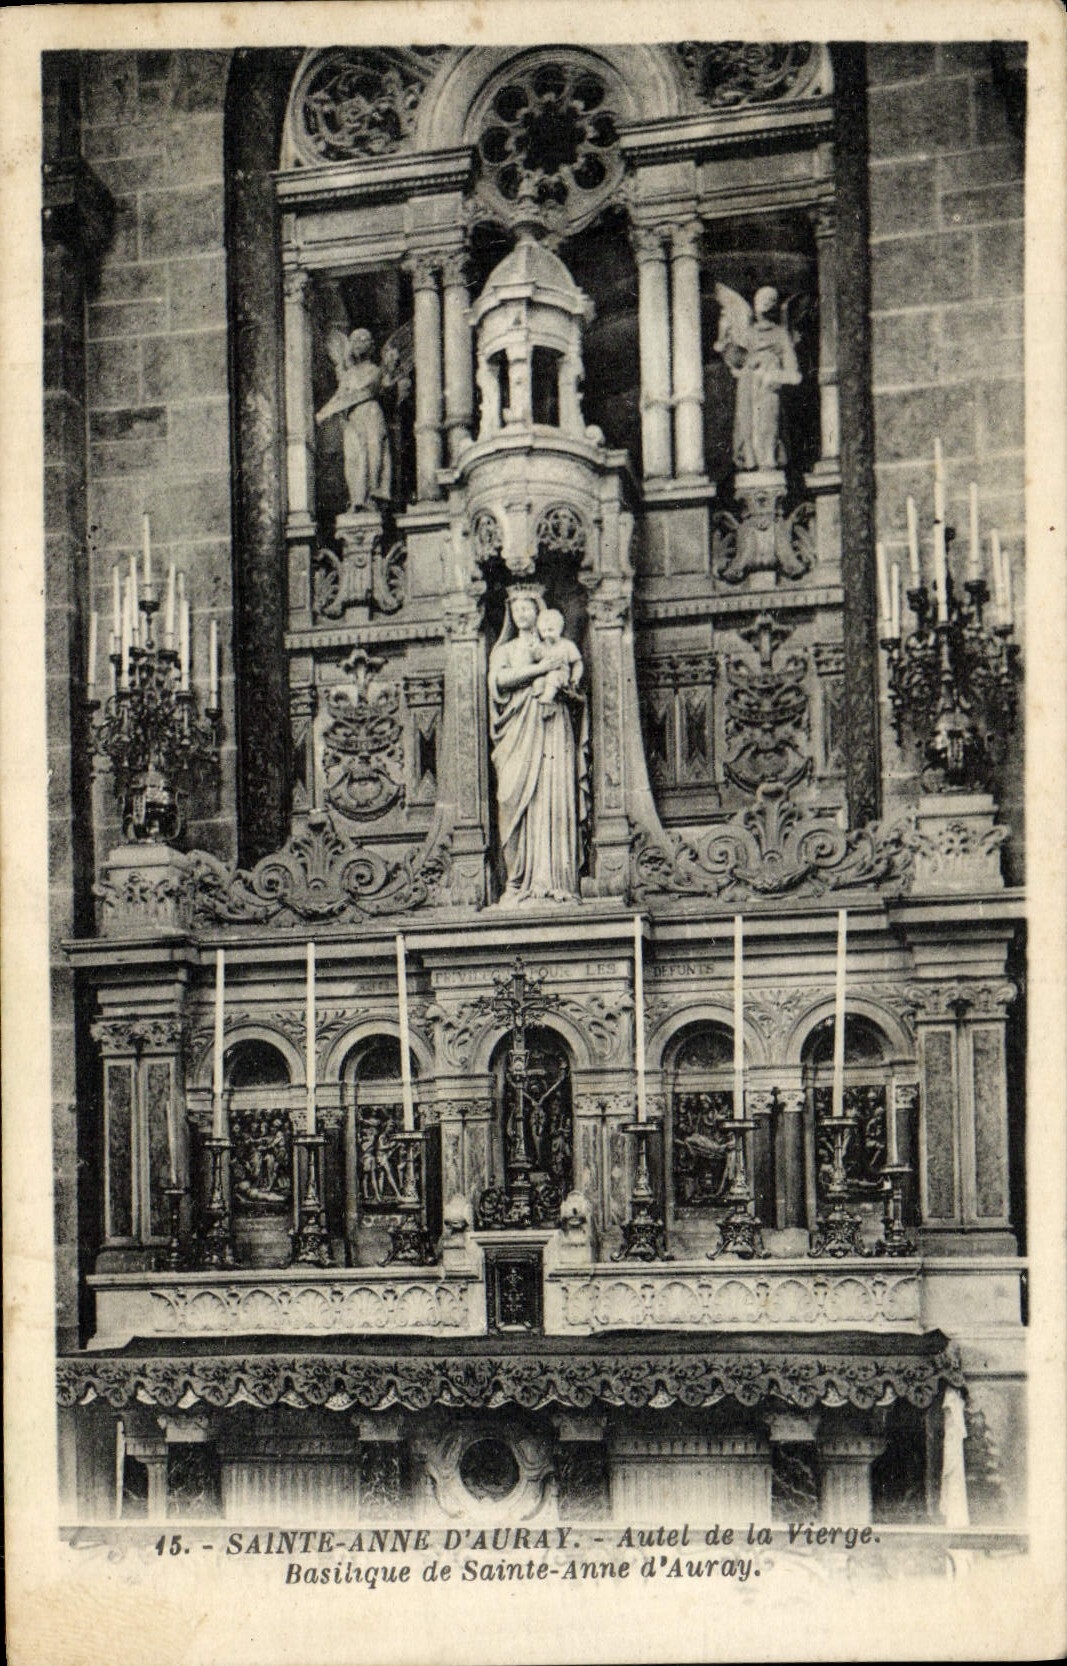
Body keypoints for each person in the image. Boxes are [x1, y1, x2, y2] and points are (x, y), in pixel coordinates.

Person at [487, 586, 589, 907]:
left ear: (539, 610)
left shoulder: (558, 645)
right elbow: (499, 681)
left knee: (552, 793)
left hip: (552, 724)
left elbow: (574, 677)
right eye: (516, 609)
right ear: (510, 614)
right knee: (510, 797)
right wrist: (541, 670)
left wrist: (561, 682)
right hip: (517, 729)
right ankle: (516, 882)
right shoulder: (504, 650)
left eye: (528, 608)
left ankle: (556, 879)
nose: (522, 614)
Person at [714, 283, 802, 472]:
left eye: (770, 299)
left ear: (774, 305)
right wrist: (724, 340)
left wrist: (775, 375)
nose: (764, 303)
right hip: (747, 384)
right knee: (746, 424)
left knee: (767, 424)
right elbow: (734, 358)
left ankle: (767, 461)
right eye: (760, 299)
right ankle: (750, 460)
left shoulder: (780, 334)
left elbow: (794, 374)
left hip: (768, 386)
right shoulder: (748, 332)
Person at [315, 326, 392, 510]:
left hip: (370, 414)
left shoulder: (375, 370)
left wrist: (326, 412)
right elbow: (340, 396)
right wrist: (323, 411)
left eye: (363, 339)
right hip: (353, 418)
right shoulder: (348, 375)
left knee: (374, 453)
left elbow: (364, 391)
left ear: (371, 346)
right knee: (353, 457)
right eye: (354, 340)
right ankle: (357, 499)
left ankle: (372, 497)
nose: (358, 343)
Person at [531, 608, 584, 713]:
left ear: (559, 629)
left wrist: (575, 678)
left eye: (550, 630)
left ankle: (547, 699)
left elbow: (577, 663)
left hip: (561, 675)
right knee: (538, 682)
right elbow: (535, 657)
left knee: (553, 677)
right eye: (543, 631)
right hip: (545, 675)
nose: (547, 634)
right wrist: (534, 646)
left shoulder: (567, 645)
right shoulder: (542, 646)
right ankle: (543, 707)